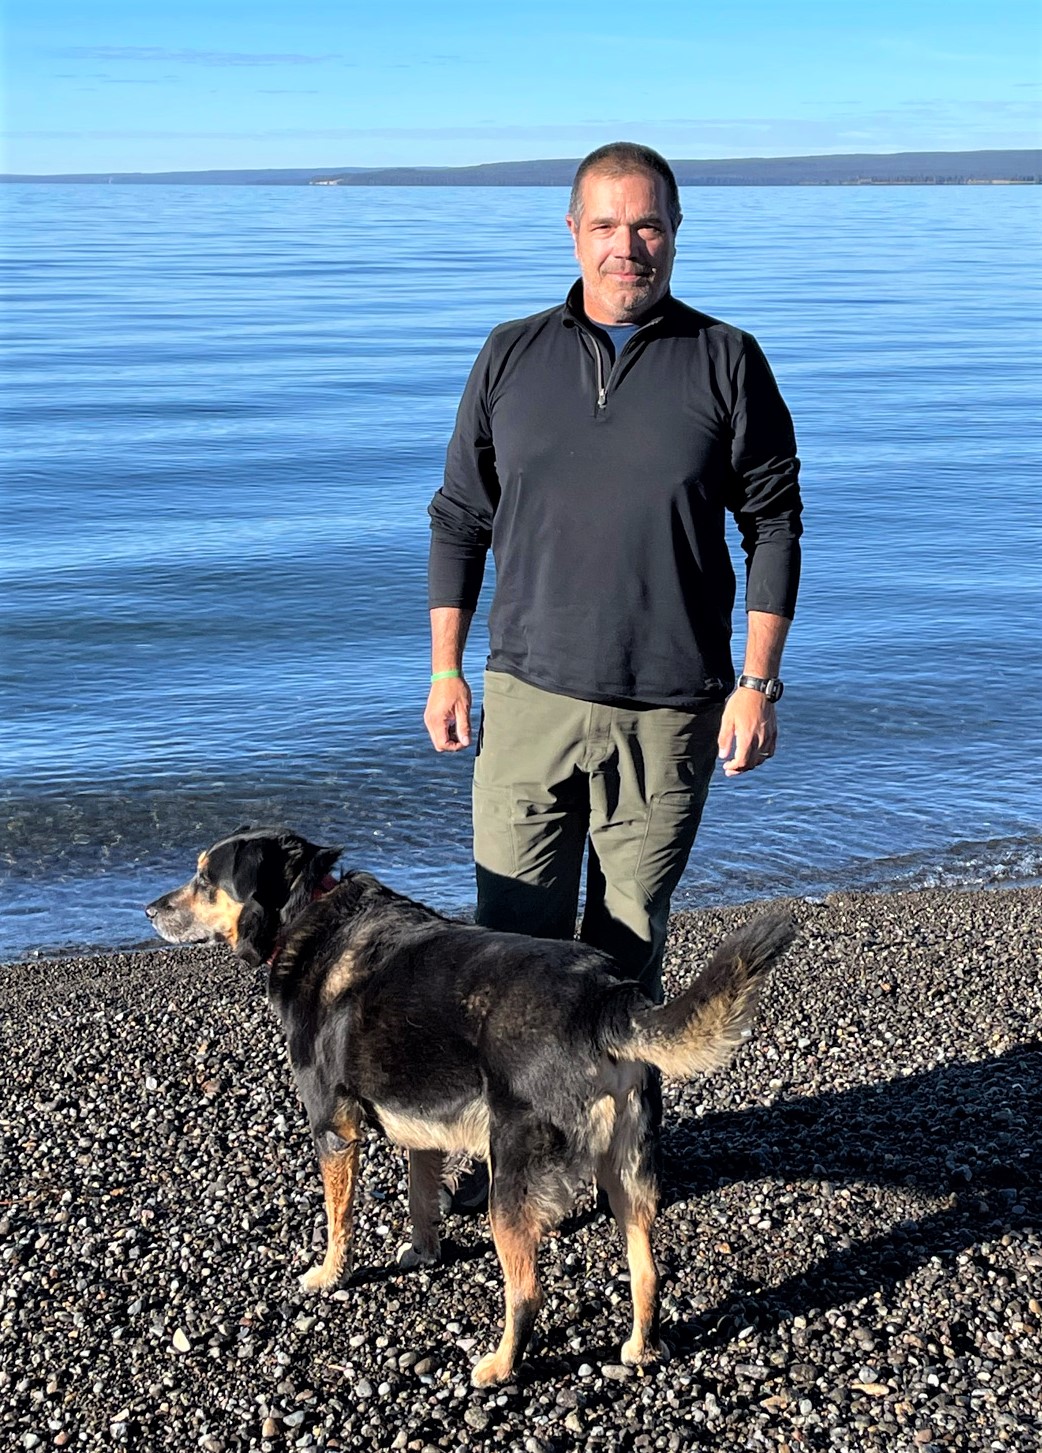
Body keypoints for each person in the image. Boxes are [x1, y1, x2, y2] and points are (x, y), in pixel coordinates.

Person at [424, 141, 802, 1007]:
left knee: (627, 953)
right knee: (511, 948)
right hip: (528, 696)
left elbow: (773, 524)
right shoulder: (510, 354)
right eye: (605, 225)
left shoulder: (727, 358)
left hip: (670, 708)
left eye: (645, 225)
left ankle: (624, 1145)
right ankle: (521, 1147)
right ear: (572, 232)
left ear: (674, 232)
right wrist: (445, 671)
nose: (625, 244)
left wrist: (757, 684)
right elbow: (459, 517)